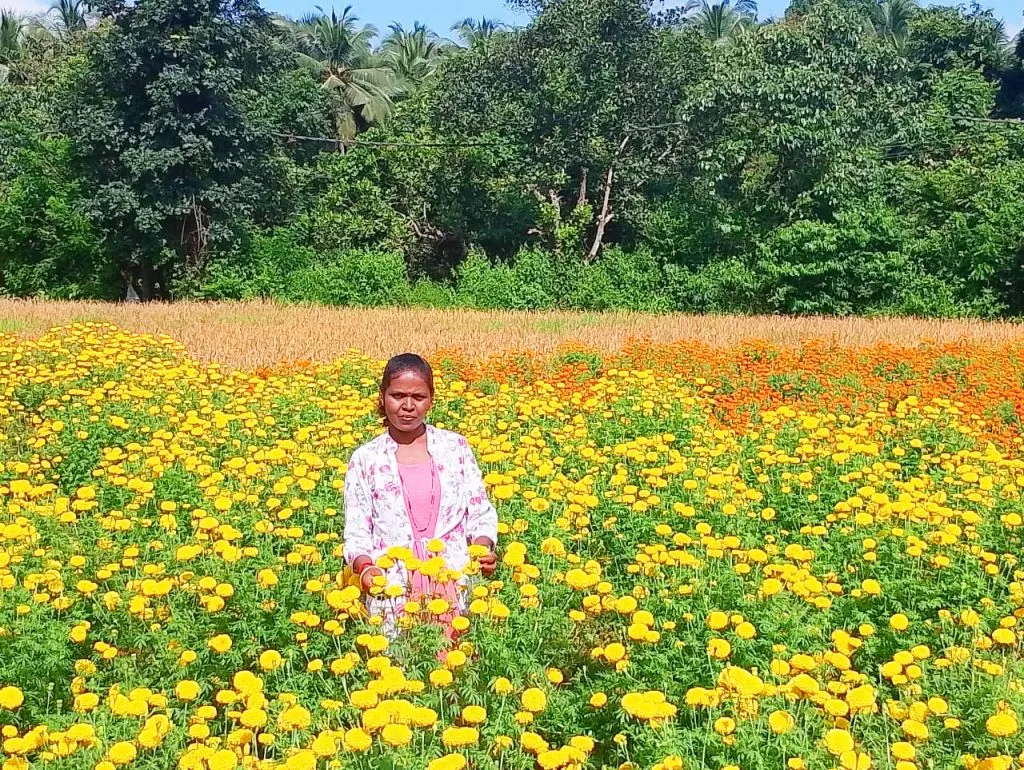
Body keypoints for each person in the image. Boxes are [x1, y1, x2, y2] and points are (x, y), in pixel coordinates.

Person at [343, 353, 498, 637]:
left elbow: (480, 512)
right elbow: (356, 532)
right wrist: (365, 570)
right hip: (391, 587)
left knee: (456, 664)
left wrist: (484, 549)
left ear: (431, 400)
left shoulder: (455, 448)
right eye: (398, 395)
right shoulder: (366, 458)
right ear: (382, 397)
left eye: (418, 397)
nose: (408, 406)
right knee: (397, 670)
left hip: (453, 578)